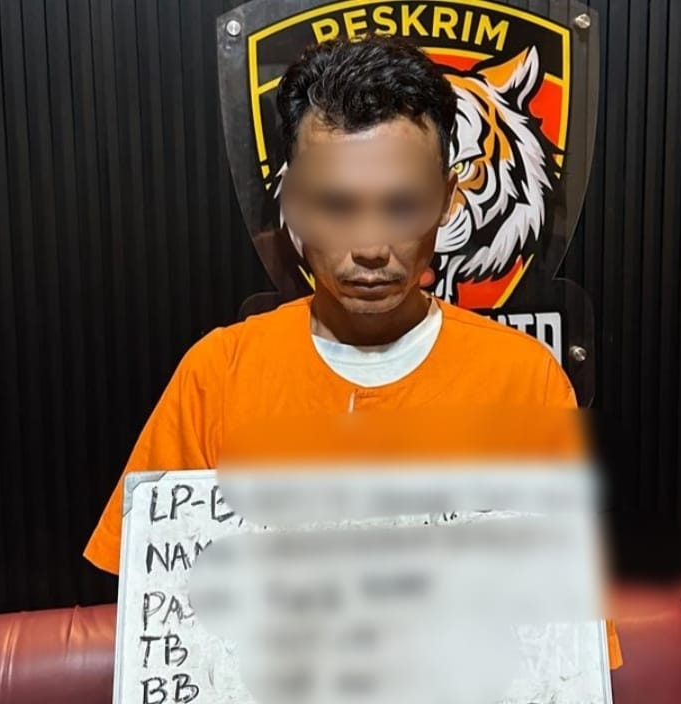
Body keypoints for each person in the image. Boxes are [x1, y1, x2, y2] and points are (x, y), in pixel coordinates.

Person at [84, 34, 620, 669]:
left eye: (402, 206)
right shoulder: (219, 373)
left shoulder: (524, 381)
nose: (370, 246)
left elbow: (565, 649)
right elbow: (161, 626)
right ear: (292, 203)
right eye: (337, 206)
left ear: (449, 199)